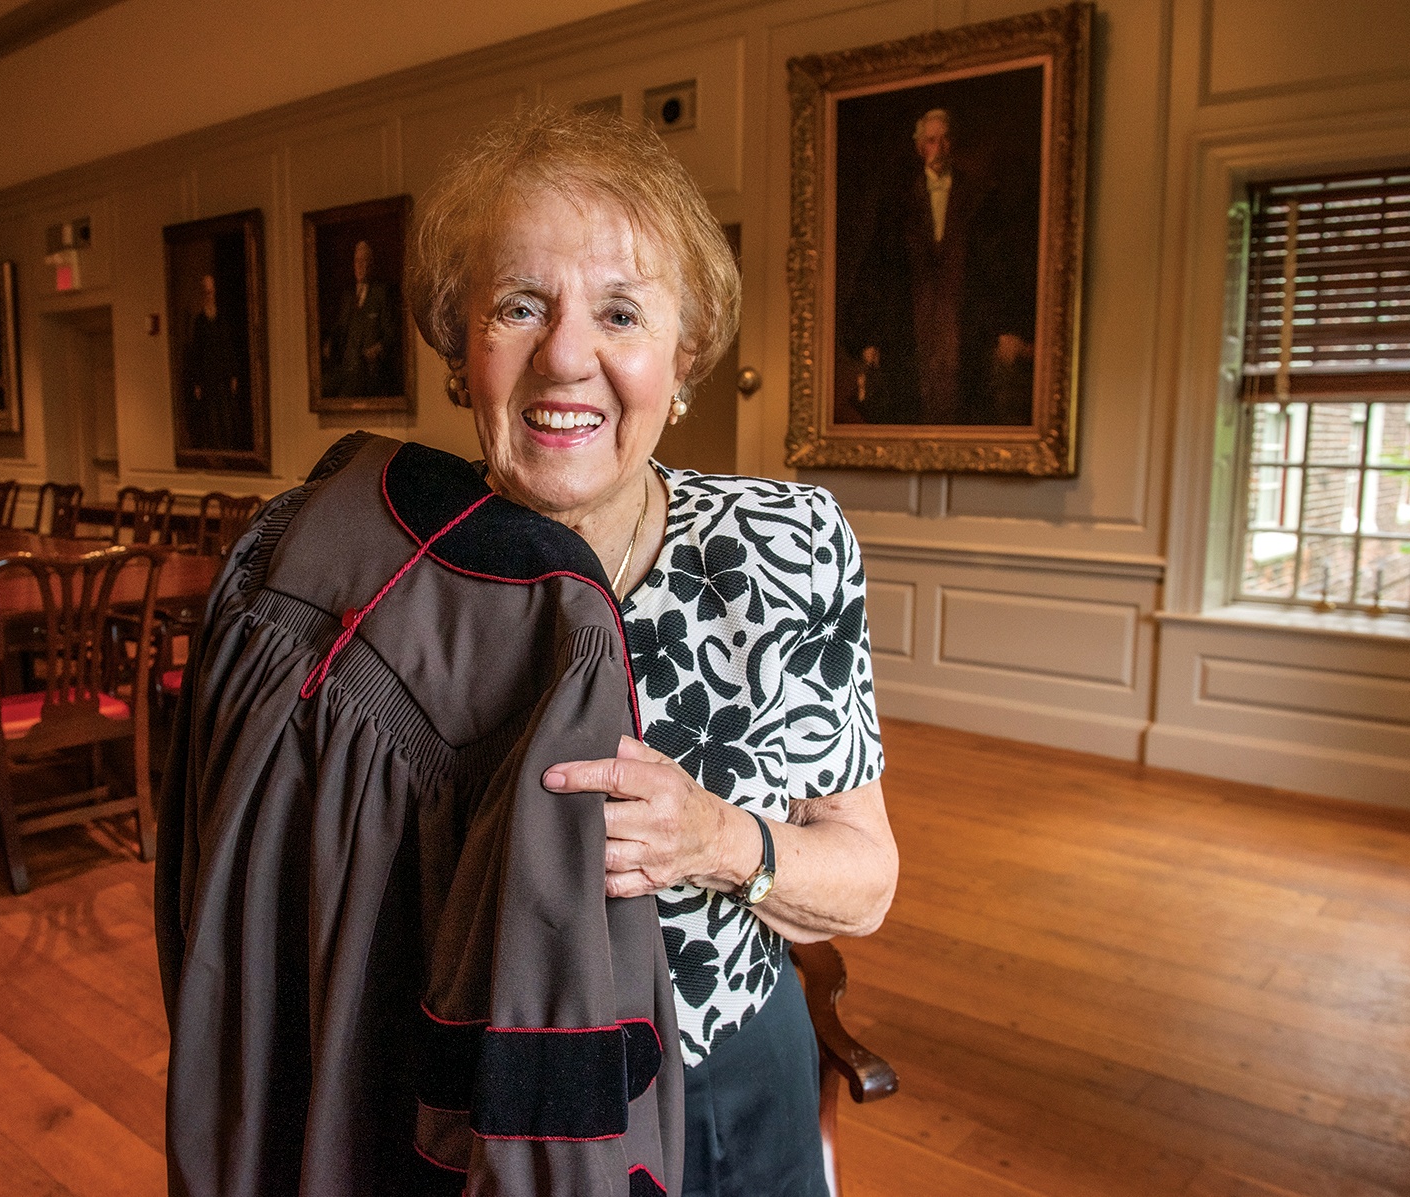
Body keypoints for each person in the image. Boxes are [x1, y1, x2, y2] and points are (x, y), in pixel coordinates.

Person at [409, 106, 898, 1196]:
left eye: (621, 312)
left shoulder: (785, 546)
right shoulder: (396, 576)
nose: (565, 356)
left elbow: (865, 880)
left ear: (683, 362)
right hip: (476, 1097)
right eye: (519, 305)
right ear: (460, 355)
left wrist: (717, 840)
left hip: (723, 1072)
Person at [838, 106, 1037, 425]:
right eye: (931, 141)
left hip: (966, 324)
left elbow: (1002, 265)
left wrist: (1008, 326)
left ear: (953, 143)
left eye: (945, 140)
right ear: (920, 148)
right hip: (910, 326)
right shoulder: (897, 202)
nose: (939, 148)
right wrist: (869, 336)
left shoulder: (981, 197)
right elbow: (876, 269)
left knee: (969, 408)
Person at [182, 271, 253, 449]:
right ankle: (216, 447)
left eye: (211, 292)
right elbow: (197, 352)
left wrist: (234, 374)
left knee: (226, 414)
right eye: (206, 292)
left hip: (223, 374)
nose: (209, 296)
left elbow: (229, 347)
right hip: (207, 376)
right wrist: (197, 382)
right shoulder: (200, 321)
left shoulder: (223, 318)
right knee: (211, 415)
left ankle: (229, 446)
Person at [322, 238, 401, 397]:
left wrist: (377, 349)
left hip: (368, 369)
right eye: (357, 261)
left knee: (348, 393)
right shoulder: (348, 297)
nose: (359, 266)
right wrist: (329, 342)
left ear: (371, 265)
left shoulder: (381, 294)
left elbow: (391, 334)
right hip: (345, 366)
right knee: (323, 388)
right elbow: (340, 328)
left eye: (364, 261)